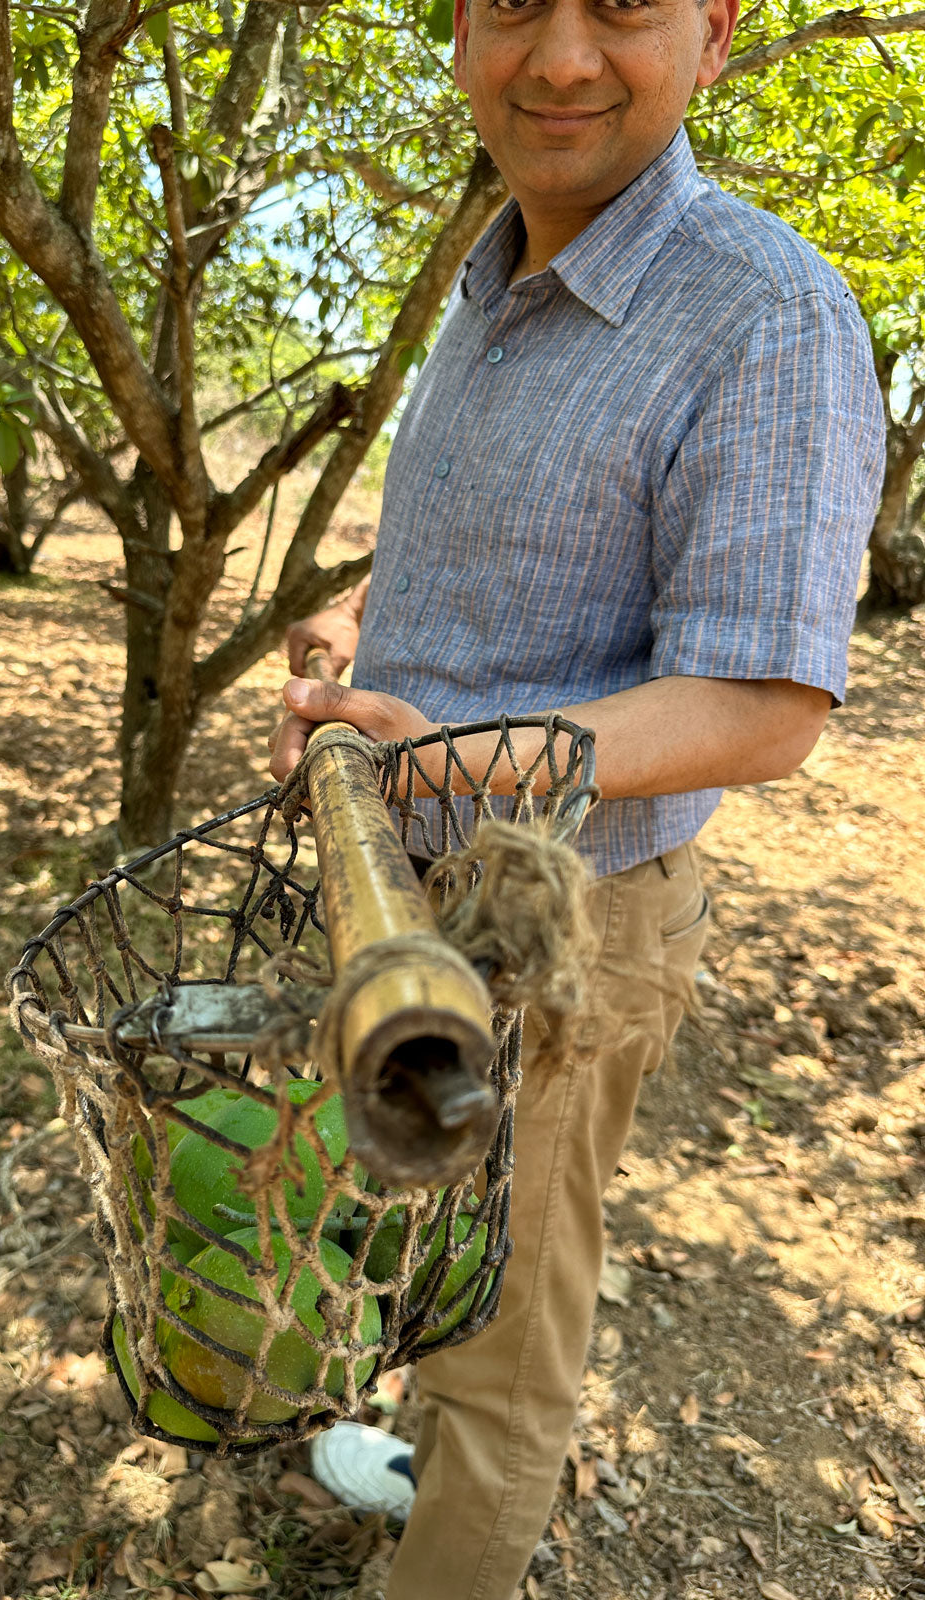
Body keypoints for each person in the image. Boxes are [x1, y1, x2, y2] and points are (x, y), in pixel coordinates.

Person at [267, 0, 885, 1593]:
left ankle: (456, 1538)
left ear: (717, 33)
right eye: (513, 4)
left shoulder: (766, 315)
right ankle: (420, 1464)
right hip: (404, 891)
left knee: (506, 1335)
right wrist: (360, 624)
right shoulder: (493, 277)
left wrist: (467, 759)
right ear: (459, 31)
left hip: (565, 920)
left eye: (622, 3)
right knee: (428, 1225)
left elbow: (763, 707)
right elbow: (451, 545)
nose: (558, 57)